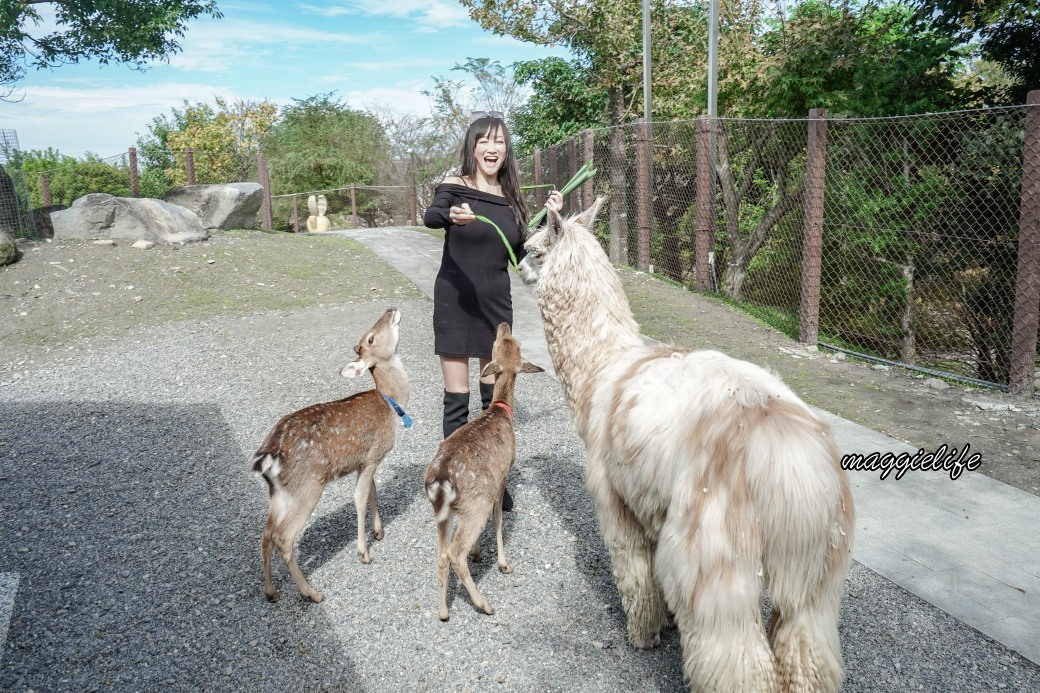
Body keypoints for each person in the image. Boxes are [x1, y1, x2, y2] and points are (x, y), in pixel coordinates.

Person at [423, 112, 563, 511]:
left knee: (493, 400)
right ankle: (451, 483)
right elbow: (432, 215)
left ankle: (494, 481)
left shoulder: (511, 197)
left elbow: (521, 254)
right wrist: (451, 215)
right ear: (472, 146)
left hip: (496, 306)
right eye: (484, 141)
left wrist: (552, 218)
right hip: (455, 298)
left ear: (506, 149)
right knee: (457, 398)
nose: (491, 148)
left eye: (499, 141)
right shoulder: (454, 186)